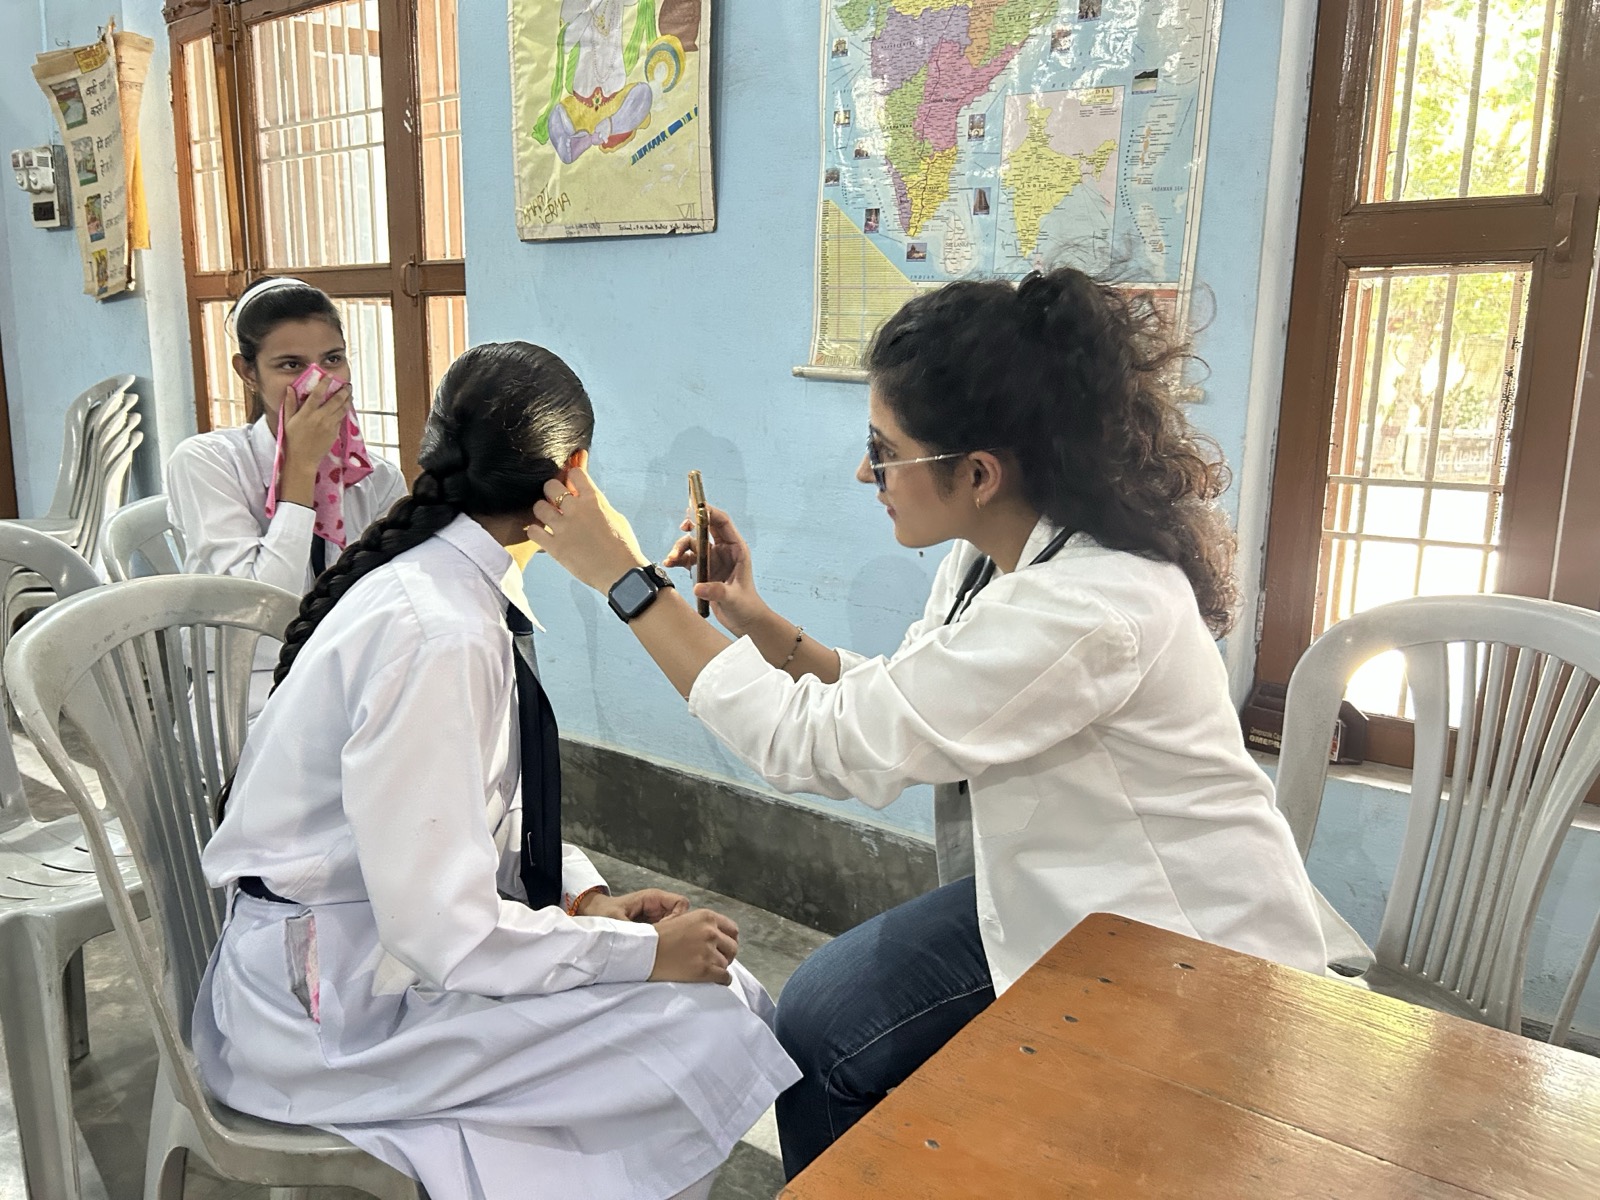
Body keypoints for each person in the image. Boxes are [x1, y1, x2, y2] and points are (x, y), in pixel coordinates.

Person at [523, 267, 1329, 1178]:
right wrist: (754, 619)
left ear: (979, 472)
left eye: (885, 448)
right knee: (822, 1018)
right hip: (1058, 898)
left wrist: (627, 582)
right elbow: (904, 694)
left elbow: (814, 743)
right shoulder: (1003, 554)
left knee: (839, 1042)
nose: (866, 472)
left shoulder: (1091, 606)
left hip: (1184, 958)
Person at [192, 342, 798, 1200]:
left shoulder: (447, 590)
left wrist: (586, 901)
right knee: (698, 1022)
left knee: (710, 997)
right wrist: (631, 954)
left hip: (368, 955)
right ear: (574, 475)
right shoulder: (438, 630)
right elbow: (447, 933)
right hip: (328, 1014)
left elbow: (477, 811)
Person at [165, 277, 409, 717]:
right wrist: (300, 470)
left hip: (344, 677)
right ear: (248, 372)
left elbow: (392, 603)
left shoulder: (377, 479)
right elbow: (257, 617)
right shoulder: (207, 462)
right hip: (243, 687)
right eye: (291, 365)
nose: (318, 382)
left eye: (332, 359)